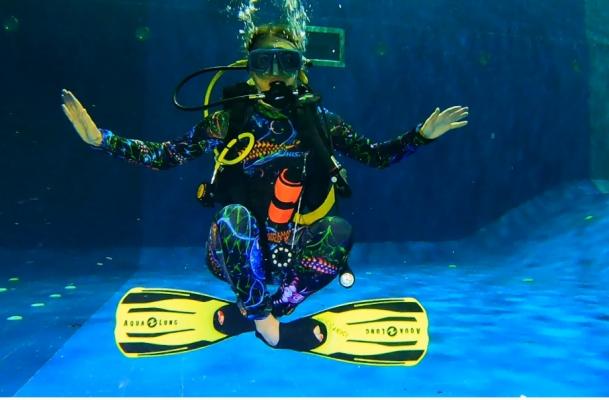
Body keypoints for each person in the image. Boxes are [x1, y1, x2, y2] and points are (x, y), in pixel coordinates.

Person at [61, 24, 468, 349]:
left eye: (285, 63)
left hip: (294, 255)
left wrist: (420, 136)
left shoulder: (320, 121)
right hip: (235, 251)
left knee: (340, 231)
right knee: (234, 217)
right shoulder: (228, 120)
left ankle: (266, 311)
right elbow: (167, 155)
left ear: (300, 69)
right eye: (263, 63)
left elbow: (374, 156)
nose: (274, 74)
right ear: (249, 69)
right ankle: (271, 328)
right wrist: (102, 140)